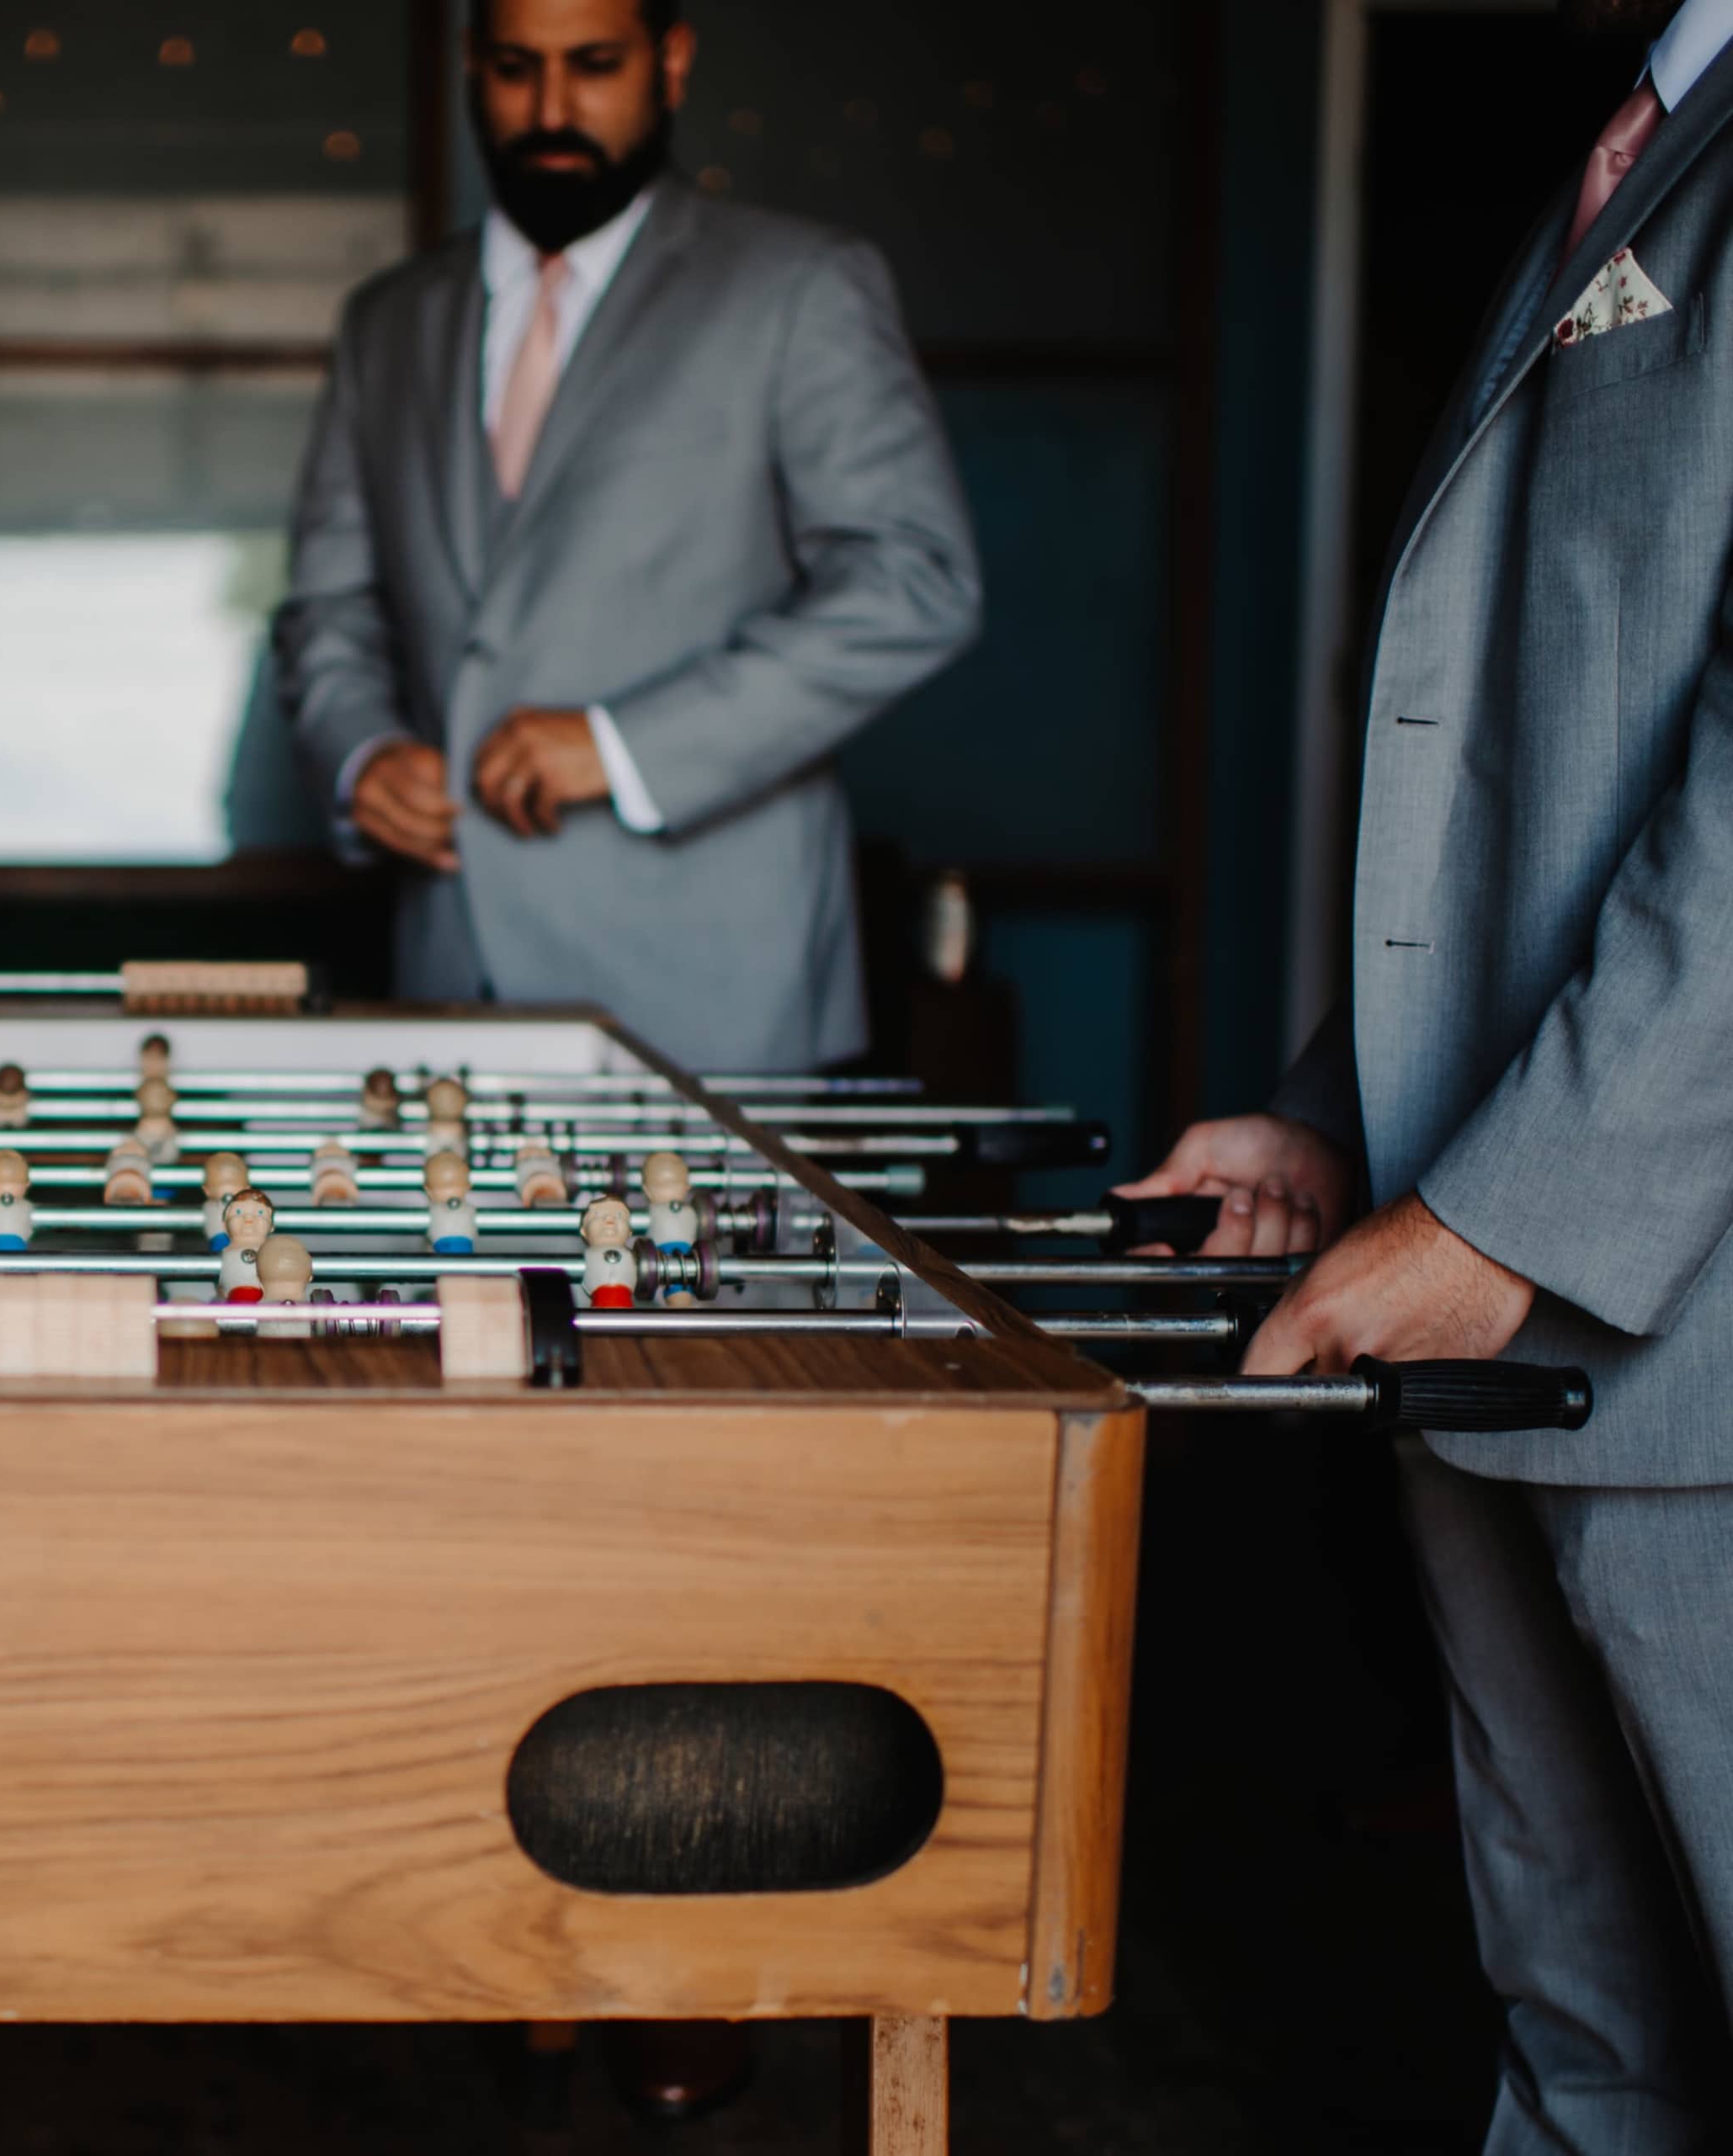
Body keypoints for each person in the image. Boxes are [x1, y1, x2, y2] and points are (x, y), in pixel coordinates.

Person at [1120, 0, 1733, 2143]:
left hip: (1676, 1321)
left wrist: (1497, 1211)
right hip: (1483, 1294)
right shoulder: (1634, 119)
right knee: (1581, 2046)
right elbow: (1514, 748)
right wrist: (1329, 1112)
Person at [274, 0, 981, 1074]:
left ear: (673, 60)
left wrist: (619, 746)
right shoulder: (388, 320)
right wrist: (361, 752)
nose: (553, 108)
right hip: (446, 980)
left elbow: (913, 583)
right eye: (516, 69)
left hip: (719, 995)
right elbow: (330, 604)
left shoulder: (798, 287)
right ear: (472, 66)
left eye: (593, 65)